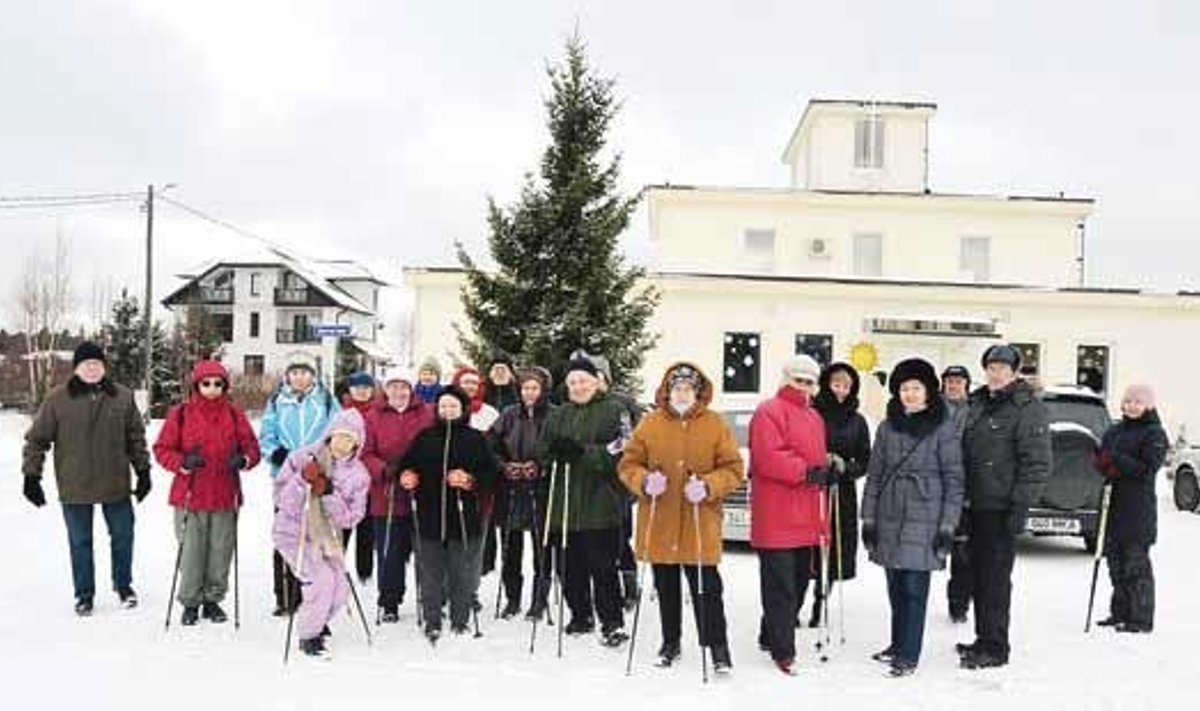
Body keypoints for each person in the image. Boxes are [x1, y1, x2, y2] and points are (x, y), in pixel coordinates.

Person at [618, 362, 744, 673]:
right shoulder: (649, 423)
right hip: (660, 522)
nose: (683, 393)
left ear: (698, 392)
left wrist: (709, 485)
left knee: (708, 589)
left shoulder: (715, 424)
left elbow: (733, 469)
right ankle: (670, 642)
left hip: (699, 523)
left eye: (689, 388)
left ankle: (718, 647)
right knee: (667, 587)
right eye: (677, 388)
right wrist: (645, 481)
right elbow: (628, 464)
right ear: (668, 390)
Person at [22, 341, 153, 616]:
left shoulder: (123, 396)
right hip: (75, 484)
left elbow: (136, 438)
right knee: (80, 541)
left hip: (115, 483)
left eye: (97, 364)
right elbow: (37, 439)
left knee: (123, 535)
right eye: (86, 364)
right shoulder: (58, 399)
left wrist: (143, 472)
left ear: (104, 366)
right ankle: (84, 594)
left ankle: (123, 585)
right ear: (77, 368)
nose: (92, 369)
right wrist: (31, 476)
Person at [861, 358, 964, 677]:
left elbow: (954, 480)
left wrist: (948, 525)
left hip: (926, 515)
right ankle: (897, 644)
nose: (910, 394)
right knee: (895, 586)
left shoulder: (942, 427)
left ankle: (909, 654)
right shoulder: (887, 426)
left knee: (914, 588)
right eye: (904, 388)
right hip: (890, 515)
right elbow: (875, 475)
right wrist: (869, 519)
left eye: (916, 388)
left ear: (928, 391)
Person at [958, 344, 1050, 669]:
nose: (996, 373)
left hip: (1002, 508)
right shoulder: (979, 402)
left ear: (1014, 372)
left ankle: (995, 647)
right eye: (991, 367)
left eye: (1002, 367)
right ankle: (983, 638)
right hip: (976, 506)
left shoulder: (1027, 408)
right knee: (979, 577)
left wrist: (1021, 507)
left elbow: (1037, 463)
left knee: (995, 580)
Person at [152, 360, 260, 625]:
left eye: (218, 384)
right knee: (191, 552)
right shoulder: (181, 413)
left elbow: (253, 448)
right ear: (196, 385)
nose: (212, 389)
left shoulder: (235, 414)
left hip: (225, 493)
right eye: (206, 383)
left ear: (225, 386)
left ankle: (212, 600)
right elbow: (162, 449)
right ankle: (190, 602)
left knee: (220, 551)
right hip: (190, 495)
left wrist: (243, 460)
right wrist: (183, 463)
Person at [539, 357, 631, 647]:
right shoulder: (558, 415)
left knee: (603, 567)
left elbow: (623, 447)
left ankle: (612, 621)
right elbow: (543, 451)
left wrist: (584, 453)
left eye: (583, 381)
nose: (578, 386)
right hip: (564, 504)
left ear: (596, 381)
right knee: (568, 566)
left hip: (601, 502)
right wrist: (555, 453)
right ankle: (580, 614)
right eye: (573, 382)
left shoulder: (616, 410)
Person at [398, 386, 499, 642]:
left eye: (453, 406)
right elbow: (407, 464)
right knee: (430, 571)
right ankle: (432, 620)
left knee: (462, 570)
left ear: (463, 409)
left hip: (463, 516)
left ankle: (460, 618)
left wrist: (469, 480)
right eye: (443, 406)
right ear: (436, 409)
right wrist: (406, 475)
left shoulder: (475, 438)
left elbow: (491, 474)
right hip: (429, 513)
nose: (447, 410)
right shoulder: (425, 437)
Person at [748, 354, 829, 675]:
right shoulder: (769, 411)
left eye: (810, 382)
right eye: (799, 380)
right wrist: (807, 472)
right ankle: (784, 650)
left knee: (798, 582)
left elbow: (817, 456)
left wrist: (826, 469)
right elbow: (768, 457)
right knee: (780, 585)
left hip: (806, 513)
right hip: (776, 512)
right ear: (786, 379)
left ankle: (770, 634)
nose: (804, 387)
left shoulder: (815, 417)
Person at [272, 409, 370, 659]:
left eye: (349, 438)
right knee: (321, 580)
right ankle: (309, 635)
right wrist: (302, 480)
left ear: (358, 442)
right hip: (294, 532)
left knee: (340, 588)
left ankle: (316, 619)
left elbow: (351, 518)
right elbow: (282, 501)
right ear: (329, 435)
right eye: (338, 436)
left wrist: (329, 495)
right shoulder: (303, 457)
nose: (342, 443)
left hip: (327, 537)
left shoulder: (359, 475)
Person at [260, 351, 340, 616]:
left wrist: (323, 459)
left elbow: (338, 434)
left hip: (318, 475)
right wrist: (277, 453)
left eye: (304, 372)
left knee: (315, 535)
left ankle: (314, 593)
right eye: (294, 372)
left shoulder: (327, 400)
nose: (299, 377)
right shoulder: (277, 401)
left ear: (312, 375)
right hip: (286, 478)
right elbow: (267, 434)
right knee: (286, 534)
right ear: (287, 376)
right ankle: (284, 596)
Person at [570, 348, 643, 609]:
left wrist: (600, 453)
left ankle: (629, 586)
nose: (593, 382)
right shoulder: (574, 407)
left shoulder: (621, 404)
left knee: (619, 539)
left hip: (615, 484)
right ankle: (589, 592)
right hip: (584, 487)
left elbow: (629, 441)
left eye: (598, 376)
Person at [359, 368, 434, 623]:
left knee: (427, 549)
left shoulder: (427, 412)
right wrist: (386, 470)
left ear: (411, 389)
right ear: (386, 389)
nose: (399, 392)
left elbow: (434, 443)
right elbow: (365, 453)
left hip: (421, 490)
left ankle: (431, 598)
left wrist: (420, 470)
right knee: (390, 550)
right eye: (393, 386)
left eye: (404, 386)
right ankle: (389, 600)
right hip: (387, 491)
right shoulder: (373, 416)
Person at [803, 361, 872, 628]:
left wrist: (846, 467)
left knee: (832, 549)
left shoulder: (857, 420)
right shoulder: (812, 412)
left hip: (840, 491)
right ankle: (798, 596)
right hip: (811, 487)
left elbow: (866, 459)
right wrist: (819, 460)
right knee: (807, 546)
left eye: (846, 385)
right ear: (826, 384)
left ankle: (821, 601)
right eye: (836, 384)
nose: (841, 390)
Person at [1095, 383, 1168, 633]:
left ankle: (1140, 618)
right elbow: (1103, 457)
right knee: (1115, 564)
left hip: (1138, 510)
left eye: (1137, 402)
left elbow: (1146, 470)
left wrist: (1117, 460)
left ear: (1148, 405)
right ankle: (1120, 612)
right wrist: (1103, 463)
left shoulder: (1154, 434)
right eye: (1127, 401)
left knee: (1135, 566)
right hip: (1113, 506)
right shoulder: (1115, 430)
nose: (1131, 406)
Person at [490, 366, 556, 620]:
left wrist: (540, 466)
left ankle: (539, 601)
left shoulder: (554, 415)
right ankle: (512, 599)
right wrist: (503, 466)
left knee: (542, 549)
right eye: (525, 388)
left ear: (542, 390)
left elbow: (558, 449)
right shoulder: (508, 414)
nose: (530, 393)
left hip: (540, 490)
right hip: (511, 489)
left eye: (534, 388)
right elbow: (491, 446)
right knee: (511, 548)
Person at [941, 364, 973, 623]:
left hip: (963, 490)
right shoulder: (933, 409)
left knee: (962, 553)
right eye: (949, 381)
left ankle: (958, 603)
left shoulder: (974, 412)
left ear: (966, 385)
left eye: (958, 382)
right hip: (933, 488)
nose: (953, 385)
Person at [339, 370, 378, 583]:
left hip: (369, 479)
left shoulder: (377, 412)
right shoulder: (341, 413)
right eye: (357, 388)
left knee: (367, 528)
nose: (362, 392)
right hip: (345, 479)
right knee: (343, 524)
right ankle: (337, 566)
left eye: (366, 388)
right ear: (350, 390)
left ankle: (365, 572)